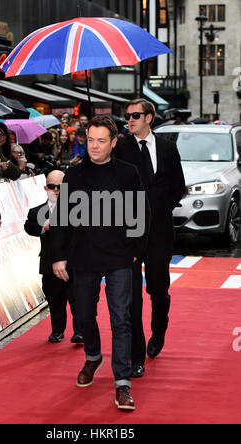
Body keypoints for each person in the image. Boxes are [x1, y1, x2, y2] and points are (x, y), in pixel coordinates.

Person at [50, 116, 150, 411]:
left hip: (120, 256)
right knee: (83, 315)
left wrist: (136, 250)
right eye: (90, 140)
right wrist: (58, 256)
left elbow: (141, 214)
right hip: (83, 256)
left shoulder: (128, 173)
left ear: (114, 142)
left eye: (101, 140)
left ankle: (122, 384)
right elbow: (62, 220)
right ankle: (93, 356)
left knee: (121, 319)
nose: (94, 146)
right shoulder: (75, 174)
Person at [114, 99, 186, 378]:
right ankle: (136, 356)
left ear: (149, 118)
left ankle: (159, 331)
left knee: (158, 291)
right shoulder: (120, 147)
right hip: (129, 234)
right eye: (127, 116)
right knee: (130, 297)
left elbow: (178, 186)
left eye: (135, 115)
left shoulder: (168, 148)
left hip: (159, 233)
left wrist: (159, 209)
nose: (129, 120)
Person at [24, 170, 83, 344]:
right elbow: (28, 226)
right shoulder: (37, 212)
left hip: (73, 263)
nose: (56, 190)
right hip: (49, 264)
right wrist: (44, 227)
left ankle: (80, 331)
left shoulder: (77, 209)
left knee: (77, 299)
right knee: (55, 300)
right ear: (45, 188)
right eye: (52, 186)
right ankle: (57, 330)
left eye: (60, 186)